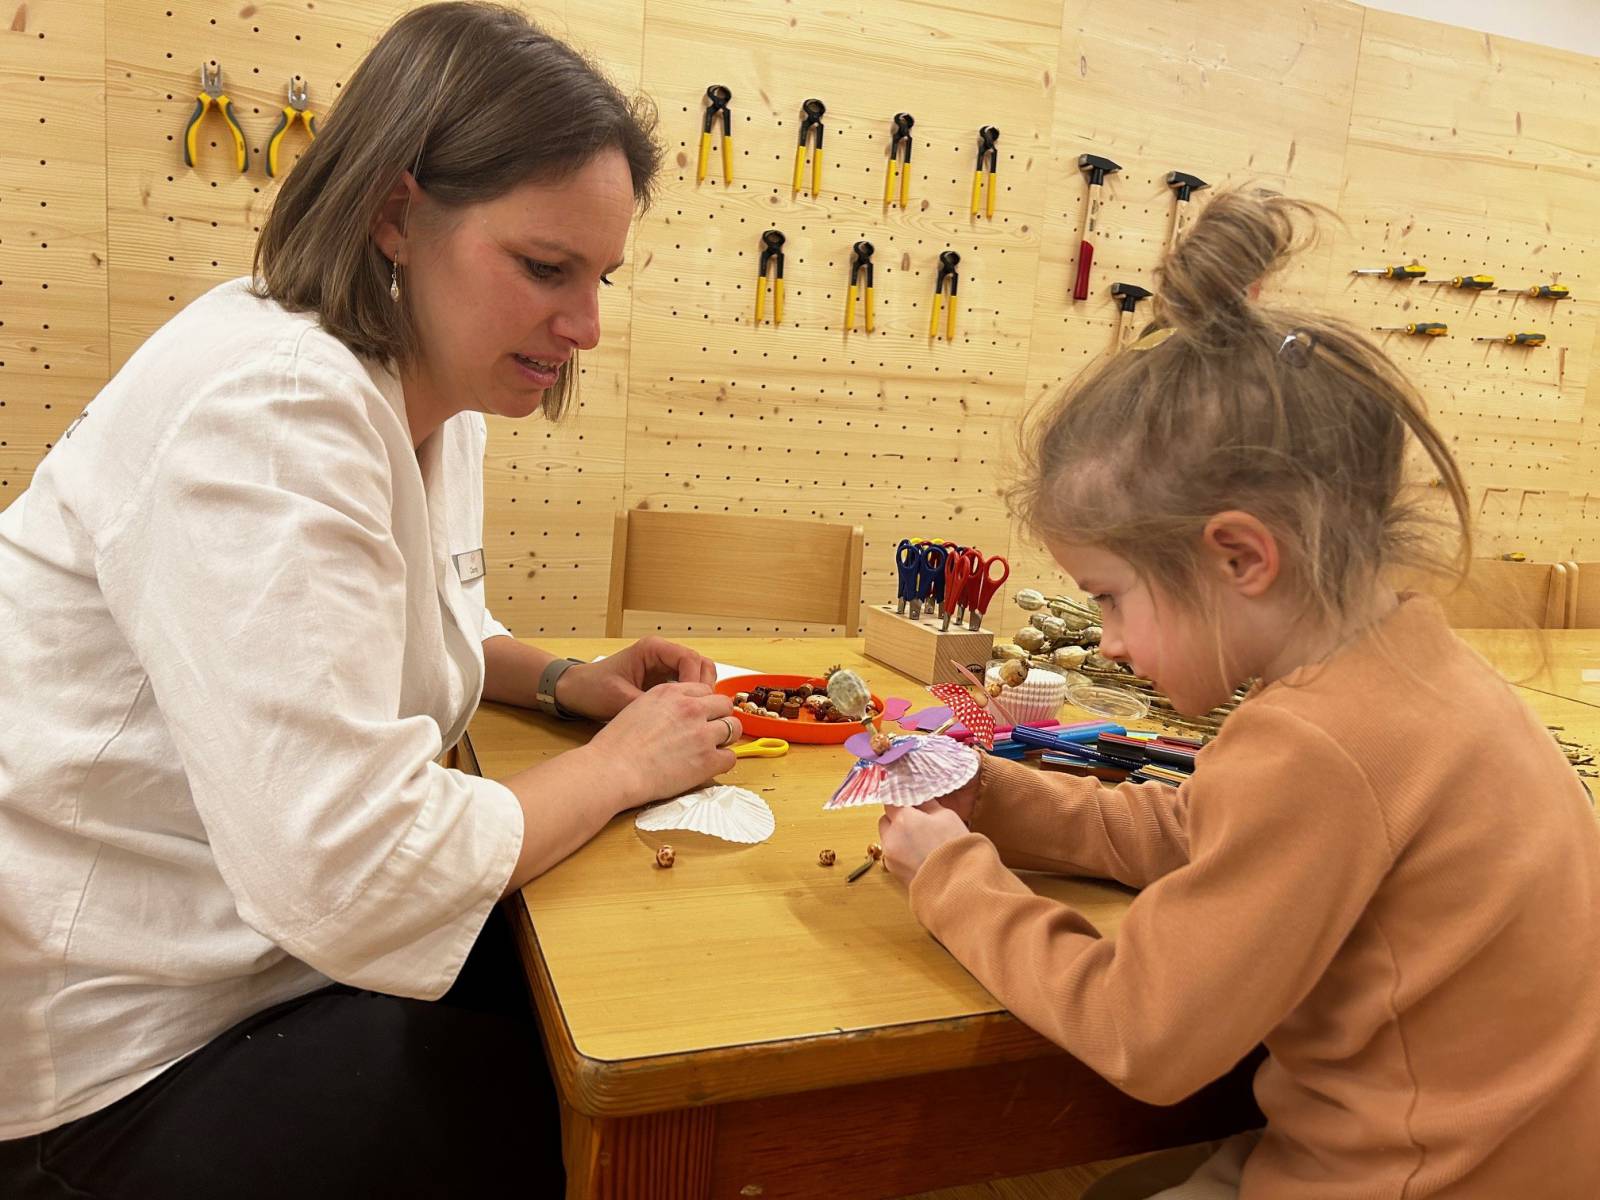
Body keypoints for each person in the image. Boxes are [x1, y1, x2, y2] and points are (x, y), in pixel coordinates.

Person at [0, 4, 740, 1194]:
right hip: (111, 1046)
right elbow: (353, 870)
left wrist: (562, 682)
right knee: (534, 1101)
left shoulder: (425, 385)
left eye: (600, 276)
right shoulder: (276, 408)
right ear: (395, 213)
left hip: (248, 957)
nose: (587, 325)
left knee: (588, 987)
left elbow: (423, 621)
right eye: (545, 269)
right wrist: (620, 767)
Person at [877, 189, 1600, 1198]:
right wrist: (994, 801)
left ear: (1238, 557)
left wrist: (949, 876)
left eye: (1110, 598)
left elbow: (1146, 1034)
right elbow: (1203, 831)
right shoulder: (1403, 668)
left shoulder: (1318, 741)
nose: (1113, 643)